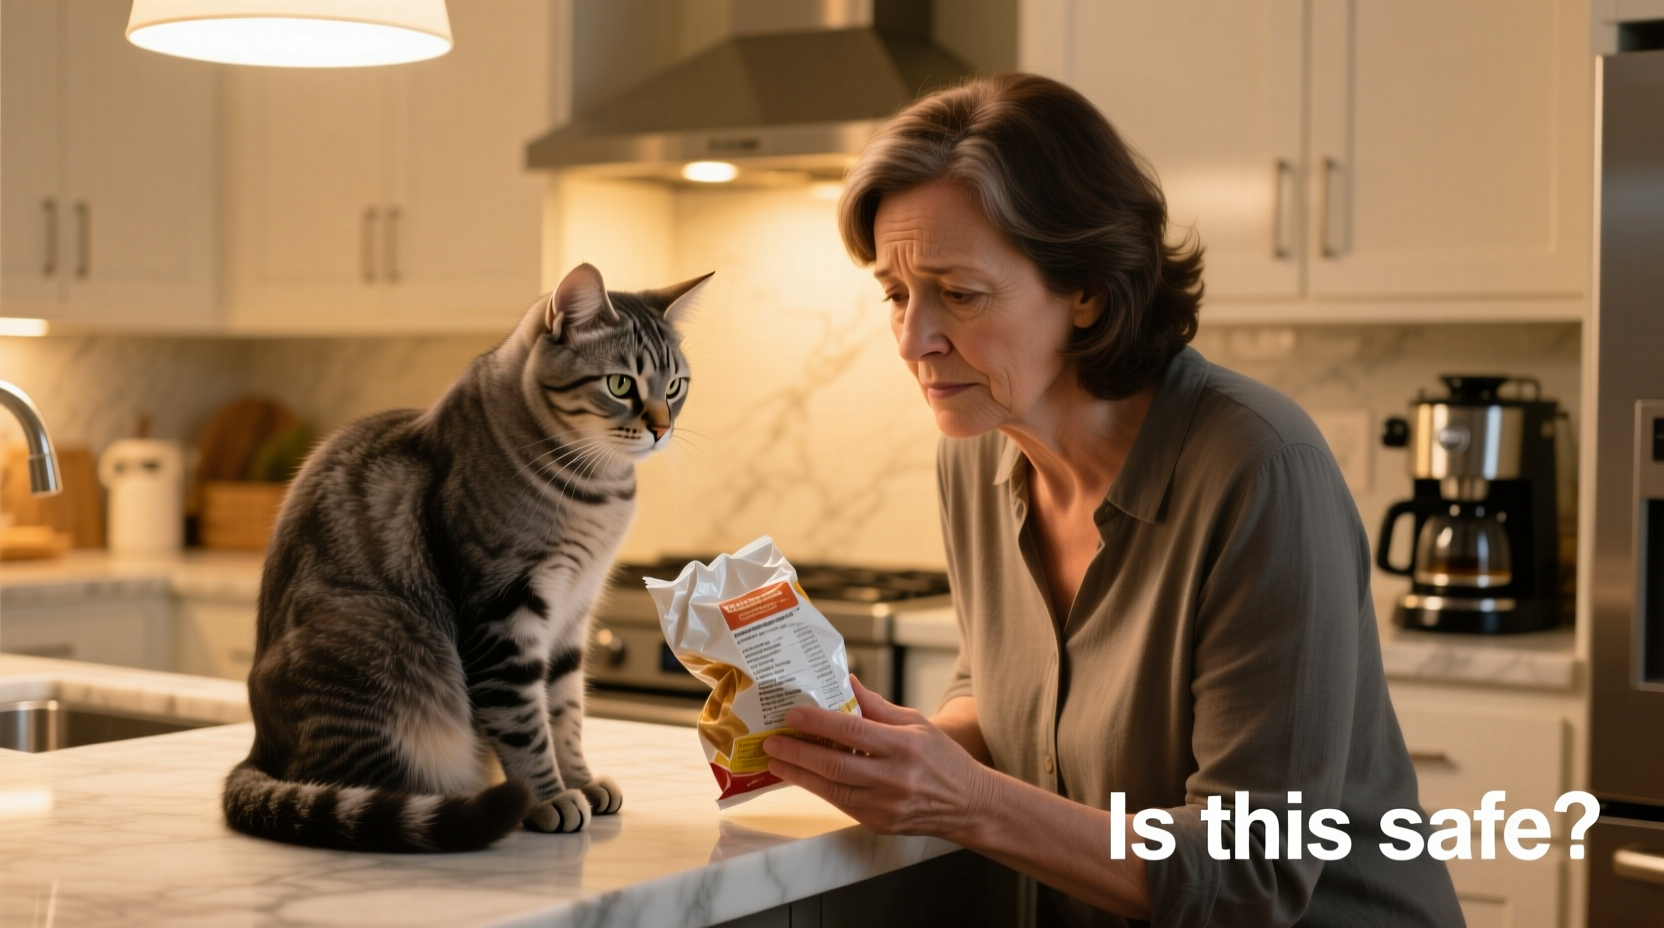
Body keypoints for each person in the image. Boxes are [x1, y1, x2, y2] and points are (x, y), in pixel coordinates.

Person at [760, 73, 1464, 927]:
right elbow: (1000, 689)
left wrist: (964, 800)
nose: (913, 340)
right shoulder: (980, 446)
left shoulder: (1259, 468)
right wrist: (905, 755)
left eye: (960, 294)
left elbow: (1252, 874)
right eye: (897, 295)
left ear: (1086, 290)